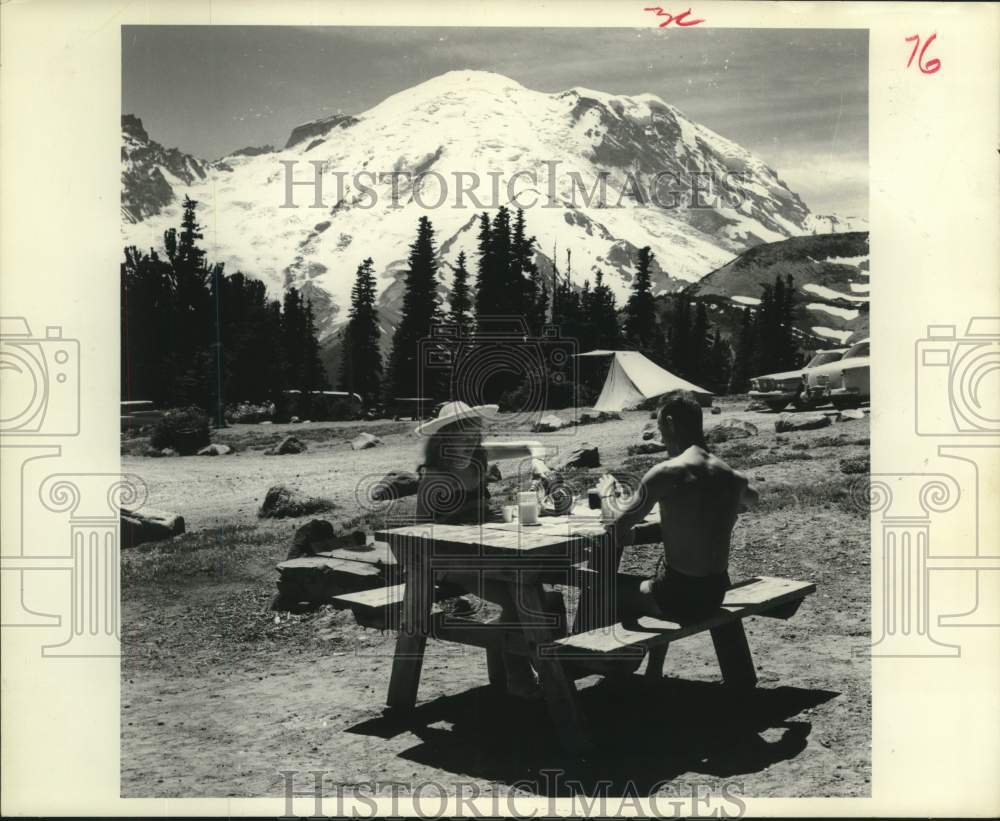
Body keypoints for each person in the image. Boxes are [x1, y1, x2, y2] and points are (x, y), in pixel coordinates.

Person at [411, 401, 554, 698]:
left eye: (473, 438)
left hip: (487, 553)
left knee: (539, 594)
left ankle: (522, 663)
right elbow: (419, 535)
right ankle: (518, 676)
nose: (467, 445)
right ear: (443, 440)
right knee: (522, 598)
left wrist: (538, 461)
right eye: (461, 439)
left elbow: (532, 443)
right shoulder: (434, 476)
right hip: (449, 560)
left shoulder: (480, 457)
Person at [602, 390, 759, 624]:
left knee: (602, 590)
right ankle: (654, 663)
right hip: (715, 594)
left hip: (677, 597)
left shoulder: (667, 473)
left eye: (660, 429)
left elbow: (616, 530)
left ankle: (587, 660)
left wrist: (607, 497)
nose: (662, 439)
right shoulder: (732, 477)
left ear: (670, 423)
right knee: (647, 582)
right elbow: (752, 499)